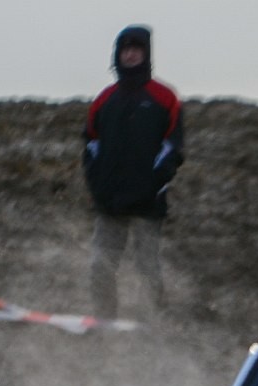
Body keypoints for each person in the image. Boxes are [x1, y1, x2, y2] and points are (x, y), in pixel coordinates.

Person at [82, 25, 184, 319]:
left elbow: (173, 150)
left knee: (147, 266)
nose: (130, 55)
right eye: (125, 50)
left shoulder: (165, 98)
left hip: (148, 202)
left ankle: (151, 320)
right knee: (100, 265)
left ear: (146, 54)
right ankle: (104, 318)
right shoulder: (104, 100)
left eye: (136, 50)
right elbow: (90, 145)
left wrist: (152, 184)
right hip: (109, 201)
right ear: (118, 54)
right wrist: (97, 186)